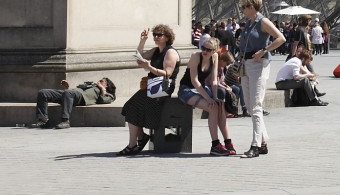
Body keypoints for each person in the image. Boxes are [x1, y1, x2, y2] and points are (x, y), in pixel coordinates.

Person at [118, 25, 180, 156]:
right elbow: (139, 58)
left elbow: (167, 74)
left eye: (159, 35)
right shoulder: (156, 50)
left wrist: (149, 67)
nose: (156, 37)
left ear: (167, 37)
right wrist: (142, 41)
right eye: (155, 35)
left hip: (164, 86)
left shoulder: (170, 52)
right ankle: (139, 139)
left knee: (133, 106)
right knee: (130, 107)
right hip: (153, 85)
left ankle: (133, 144)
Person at [238, 0, 286, 158]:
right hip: (246, 64)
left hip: (259, 65)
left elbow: (281, 38)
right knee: (251, 107)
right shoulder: (249, 23)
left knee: (256, 105)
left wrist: (265, 50)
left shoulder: (263, 21)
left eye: (244, 6)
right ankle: (263, 142)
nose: (242, 9)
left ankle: (255, 146)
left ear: (252, 7)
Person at [177, 38, 236, 156]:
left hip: (202, 89)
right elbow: (194, 81)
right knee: (212, 107)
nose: (204, 51)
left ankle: (228, 142)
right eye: (203, 48)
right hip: (187, 89)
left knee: (219, 106)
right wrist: (209, 99)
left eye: (208, 49)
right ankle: (215, 145)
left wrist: (214, 97)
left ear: (214, 51)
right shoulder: (195, 56)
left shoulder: (214, 58)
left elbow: (214, 80)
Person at [32, 77, 116, 129]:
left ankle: (65, 121)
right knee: (43, 93)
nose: (98, 81)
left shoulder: (109, 95)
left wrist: (102, 89)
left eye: (101, 81)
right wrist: (67, 87)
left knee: (67, 93)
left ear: (107, 85)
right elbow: (74, 91)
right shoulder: (92, 86)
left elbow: (102, 100)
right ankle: (43, 120)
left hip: (81, 98)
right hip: (70, 94)